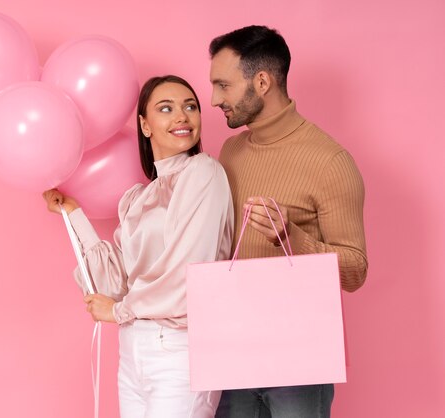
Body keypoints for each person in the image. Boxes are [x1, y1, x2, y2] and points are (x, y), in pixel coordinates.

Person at [43, 75, 234, 418]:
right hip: (133, 351)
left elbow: (188, 272)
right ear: (145, 125)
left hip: (179, 349)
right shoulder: (139, 198)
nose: (182, 116)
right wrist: (74, 215)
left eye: (191, 107)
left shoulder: (203, 173)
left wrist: (118, 311)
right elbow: (116, 281)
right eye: (167, 108)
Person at [208, 25, 368, 418]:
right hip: (234, 350)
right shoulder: (230, 151)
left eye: (223, 85)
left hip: (300, 360)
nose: (214, 99)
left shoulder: (330, 161)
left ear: (261, 82)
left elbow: (355, 271)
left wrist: (289, 236)